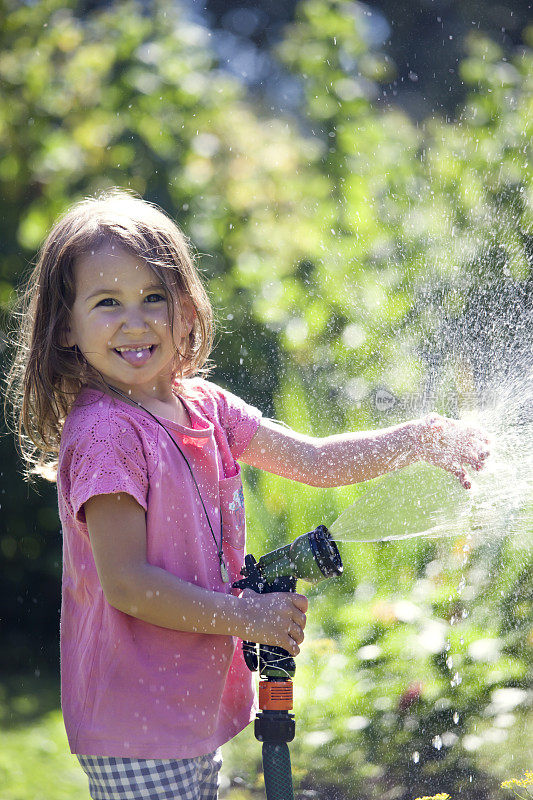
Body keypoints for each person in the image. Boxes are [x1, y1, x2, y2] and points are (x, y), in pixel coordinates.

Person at [5, 189, 489, 800]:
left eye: (154, 296)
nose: (136, 320)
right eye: (108, 303)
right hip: (136, 715)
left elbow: (314, 460)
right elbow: (127, 584)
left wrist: (418, 439)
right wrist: (246, 616)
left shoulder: (202, 407)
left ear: (185, 307)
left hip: (185, 701)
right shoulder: (107, 434)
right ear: (66, 328)